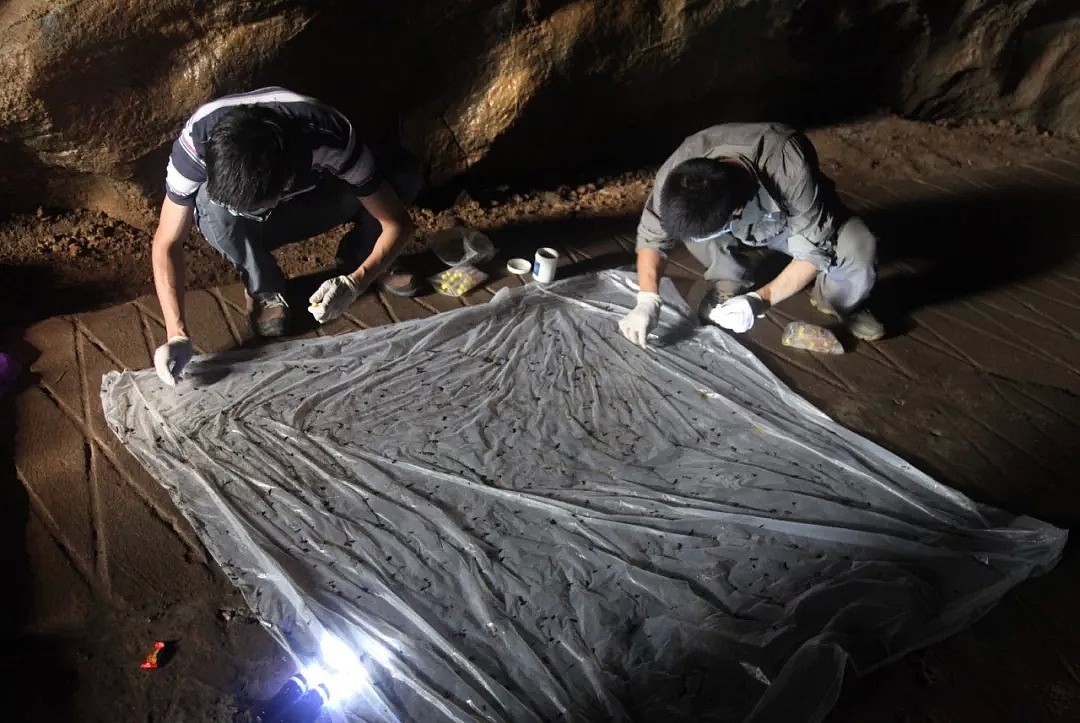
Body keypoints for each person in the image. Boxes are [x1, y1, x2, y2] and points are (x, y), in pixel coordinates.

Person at [151, 87, 422, 385]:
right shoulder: (197, 142)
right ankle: (263, 287)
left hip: (318, 199)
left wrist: (358, 281)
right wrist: (176, 334)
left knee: (402, 175)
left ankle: (362, 255)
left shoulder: (329, 136)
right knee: (210, 207)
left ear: (286, 185)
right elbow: (167, 241)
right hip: (250, 224)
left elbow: (398, 223)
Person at [618, 123, 884, 347]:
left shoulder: (788, 164)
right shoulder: (681, 171)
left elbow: (815, 249)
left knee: (859, 246)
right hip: (731, 221)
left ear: (736, 211)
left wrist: (760, 301)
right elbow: (652, 237)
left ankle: (837, 301)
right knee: (697, 228)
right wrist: (647, 299)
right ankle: (728, 280)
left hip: (792, 223)